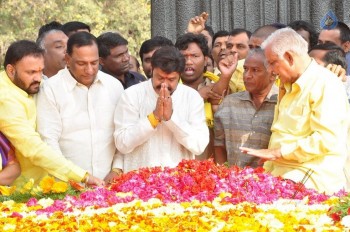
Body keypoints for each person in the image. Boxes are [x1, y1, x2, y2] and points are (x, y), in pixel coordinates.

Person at [240, 28, 350, 194]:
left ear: (289, 58)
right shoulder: (286, 84)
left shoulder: (326, 84)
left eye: (272, 62)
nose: (270, 70)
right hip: (283, 175)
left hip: (311, 181)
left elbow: (326, 139)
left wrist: (278, 152)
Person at [0, 40, 103, 186]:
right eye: (31, 72)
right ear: (11, 70)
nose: (38, 78)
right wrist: (82, 176)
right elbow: (33, 147)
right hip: (17, 193)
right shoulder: (5, 99)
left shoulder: (29, 85)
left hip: (40, 185)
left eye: (41, 71)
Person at [36, 32, 124, 183]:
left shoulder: (114, 86)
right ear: (68, 59)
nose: (89, 70)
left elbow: (122, 133)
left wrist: (117, 169)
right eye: (82, 64)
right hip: (66, 185)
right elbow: (48, 140)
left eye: (94, 63)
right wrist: (76, 177)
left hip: (109, 183)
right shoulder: (51, 89)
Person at [114, 46, 209, 173]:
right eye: (160, 78)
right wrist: (153, 118)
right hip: (139, 182)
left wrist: (171, 118)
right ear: (152, 71)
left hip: (179, 182)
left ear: (179, 76)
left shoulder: (192, 97)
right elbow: (122, 143)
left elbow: (199, 145)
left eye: (171, 79)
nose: (164, 84)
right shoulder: (131, 95)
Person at [175, 33, 237, 160]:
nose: (188, 62)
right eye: (183, 57)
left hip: (209, 161)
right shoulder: (169, 87)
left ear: (206, 60)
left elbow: (217, 93)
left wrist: (225, 75)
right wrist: (198, 97)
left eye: (195, 56)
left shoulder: (212, 84)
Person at [214, 48, 277, 168]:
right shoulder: (230, 103)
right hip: (234, 181)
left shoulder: (282, 103)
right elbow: (219, 145)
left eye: (255, 70)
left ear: (273, 74)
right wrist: (224, 175)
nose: (247, 76)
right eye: (245, 69)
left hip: (273, 182)